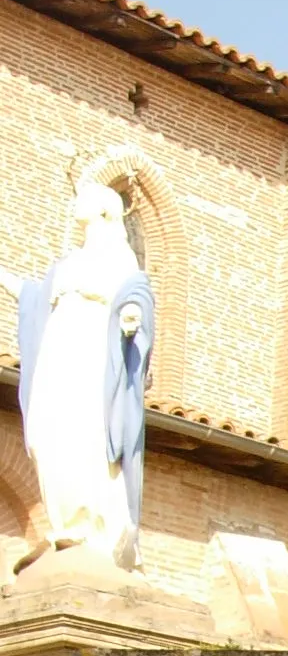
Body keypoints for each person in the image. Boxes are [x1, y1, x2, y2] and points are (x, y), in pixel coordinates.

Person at [0, 183, 154, 570]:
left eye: (86, 196)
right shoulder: (67, 264)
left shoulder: (121, 258)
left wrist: (132, 315)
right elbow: (36, 299)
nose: (77, 199)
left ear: (105, 211)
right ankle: (66, 521)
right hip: (58, 354)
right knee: (52, 431)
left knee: (85, 429)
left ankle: (93, 524)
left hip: (90, 355)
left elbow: (136, 294)